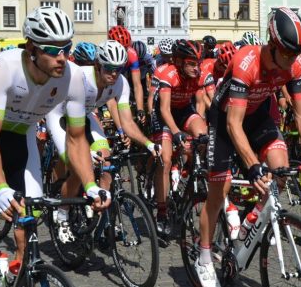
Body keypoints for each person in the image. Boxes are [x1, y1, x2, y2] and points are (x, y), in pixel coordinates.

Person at [0, 6, 109, 287]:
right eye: (53, 50)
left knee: (31, 210)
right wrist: (1, 186)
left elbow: (77, 139)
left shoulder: (73, 77)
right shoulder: (6, 66)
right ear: (31, 48)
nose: (62, 57)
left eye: (67, 48)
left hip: (22, 134)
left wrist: (90, 185)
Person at [197, 8, 301, 287]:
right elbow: (234, 125)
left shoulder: (294, 66)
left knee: (280, 168)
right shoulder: (246, 62)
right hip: (225, 120)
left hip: (258, 116)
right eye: (288, 53)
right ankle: (205, 255)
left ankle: (250, 221)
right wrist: (251, 165)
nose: (293, 60)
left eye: (298, 53)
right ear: (272, 45)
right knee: (218, 191)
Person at [46, 40, 158, 241]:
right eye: (109, 68)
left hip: (84, 115)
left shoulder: (120, 83)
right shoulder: (81, 80)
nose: (114, 74)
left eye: (118, 69)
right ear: (97, 65)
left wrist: (148, 144)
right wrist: (85, 154)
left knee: (107, 161)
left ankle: (100, 208)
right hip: (59, 116)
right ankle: (62, 214)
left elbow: (127, 122)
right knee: (80, 167)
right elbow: (75, 136)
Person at [150, 39, 209, 235]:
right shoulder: (168, 74)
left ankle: (190, 174)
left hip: (184, 110)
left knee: (203, 138)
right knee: (166, 160)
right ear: (178, 61)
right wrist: (176, 133)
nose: (196, 67)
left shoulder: (198, 76)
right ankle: (162, 210)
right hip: (164, 115)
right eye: (191, 63)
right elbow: (164, 110)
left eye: (198, 63)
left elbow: (200, 104)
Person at [108, 25, 146, 117]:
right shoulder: (106, 55)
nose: (123, 52)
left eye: (125, 48)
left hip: (123, 73)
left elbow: (137, 84)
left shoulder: (132, 54)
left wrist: (140, 109)